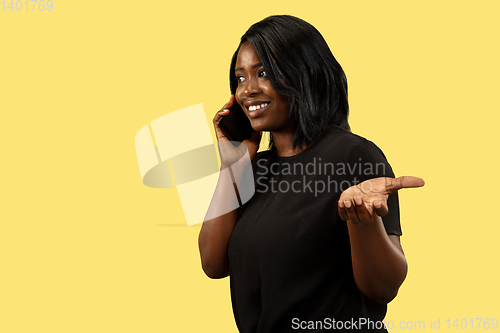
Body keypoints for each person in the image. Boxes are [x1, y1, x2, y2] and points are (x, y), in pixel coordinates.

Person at [198, 15, 424, 333]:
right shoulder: (254, 169)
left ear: (303, 73)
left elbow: (385, 287)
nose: (247, 90)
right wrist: (231, 166)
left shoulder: (353, 155)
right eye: (239, 78)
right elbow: (213, 263)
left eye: (262, 73)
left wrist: (364, 222)